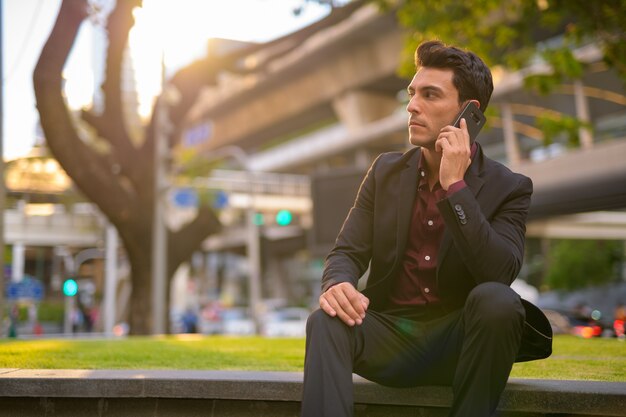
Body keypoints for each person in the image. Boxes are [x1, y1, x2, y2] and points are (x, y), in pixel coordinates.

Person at [301, 40, 553, 417]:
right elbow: (346, 252)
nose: (412, 106)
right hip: (388, 339)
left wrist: (456, 189)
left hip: (460, 345)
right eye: (412, 93)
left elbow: (499, 273)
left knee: (498, 301)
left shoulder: (511, 187)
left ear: (469, 113)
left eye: (429, 95)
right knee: (325, 319)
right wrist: (338, 284)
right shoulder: (384, 172)